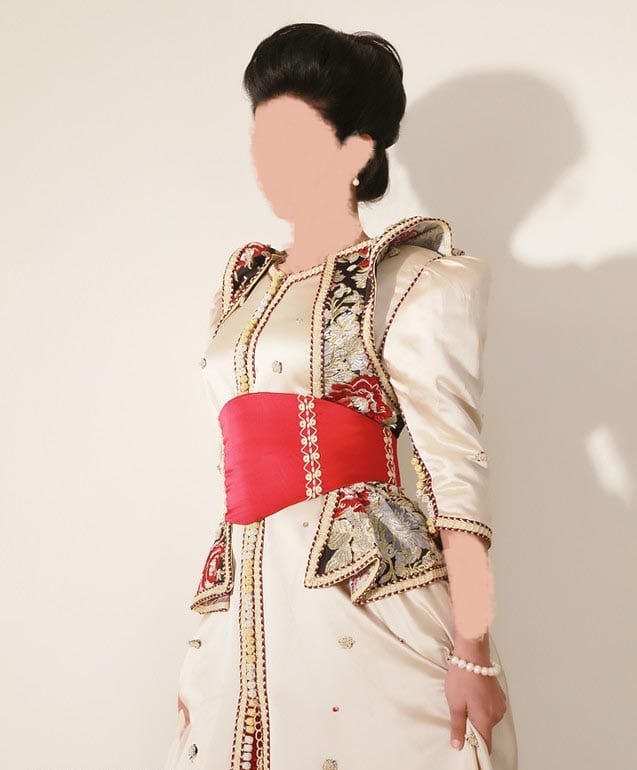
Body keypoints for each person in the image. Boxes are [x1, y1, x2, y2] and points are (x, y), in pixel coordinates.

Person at [162, 23, 518, 770]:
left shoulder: (413, 279)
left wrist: (473, 650)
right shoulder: (242, 287)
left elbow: (455, 472)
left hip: (363, 602)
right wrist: (206, 639)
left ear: (357, 150)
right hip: (241, 607)